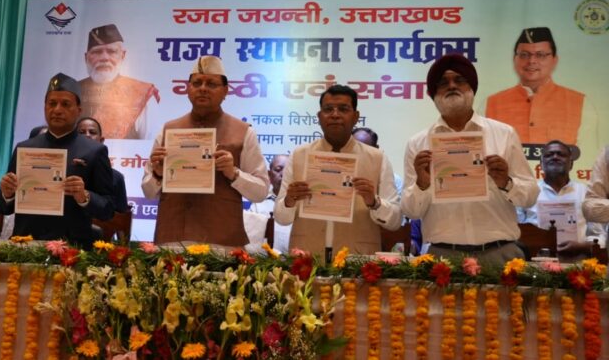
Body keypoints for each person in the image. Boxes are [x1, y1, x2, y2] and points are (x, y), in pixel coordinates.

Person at [402, 53, 539, 265]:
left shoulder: (504, 134)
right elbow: (411, 211)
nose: (452, 86)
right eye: (443, 82)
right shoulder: (418, 144)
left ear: (472, 88)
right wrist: (422, 184)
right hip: (443, 258)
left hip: (500, 254)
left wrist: (506, 182)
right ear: (433, 94)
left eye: (459, 80)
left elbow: (529, 197)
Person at [142, 55, 269, 247]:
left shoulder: (244, 132)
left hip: (221, 243)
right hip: (173, 240)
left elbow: (261, 192)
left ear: (225, 91)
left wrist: (233, 173)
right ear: (188, 89)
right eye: (197, 83)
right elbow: (148, 192)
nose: (202, 88)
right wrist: (158, 175)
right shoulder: (168, 130)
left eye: (211, 84)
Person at [274, 85, 401, 255]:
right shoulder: (299, 156)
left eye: (343, 109)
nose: (335, 115)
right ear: (319, 117)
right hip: (306, 256)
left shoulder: (377, 158)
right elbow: (280, 218)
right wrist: (289, 200)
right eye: (328, 109)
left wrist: (374, 202)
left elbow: (395, 220)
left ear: (356, 117)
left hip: (356, 259)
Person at [0, 73, 115, 246]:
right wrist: (7, 194)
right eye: (52, 103)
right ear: (45, 107)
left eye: (65, 104)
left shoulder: (95, 151)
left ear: (79, 110)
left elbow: (108, 209)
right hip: (25, 246)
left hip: (71, 250)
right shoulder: (24, 148)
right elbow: (1, 207)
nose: (57, 110)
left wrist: (84, 196)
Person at [485, 27, 596, 147]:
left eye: (540, 55)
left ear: (554, 60)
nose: (531, 61)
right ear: (514, 60)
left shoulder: (580, 104)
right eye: (524, 55)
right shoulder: (491, 104)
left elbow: (590, 155)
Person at [517, 140, 605, 260]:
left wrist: (582, 246)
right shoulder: (528, 192)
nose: (555, 157)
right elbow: (517, 233)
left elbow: (599, 235)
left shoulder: (586, 194)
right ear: (541, 164)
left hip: (578, 263)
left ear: (571, 164)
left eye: (561, 154)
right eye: (549, 155)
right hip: (534, 263)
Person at [77, 24, 160, 139]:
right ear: (86, 57)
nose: (104, 58)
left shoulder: (141, 93)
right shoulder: (70, 92)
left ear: (123, 55)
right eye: (97, 52)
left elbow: (150, 144)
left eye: (111, 51)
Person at [76, 116, 130, 214]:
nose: (87, 135)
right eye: (81, 132)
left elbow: (121, 216)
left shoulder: (116, 177)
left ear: (101, 140)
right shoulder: (67, 170)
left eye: (92, 132)